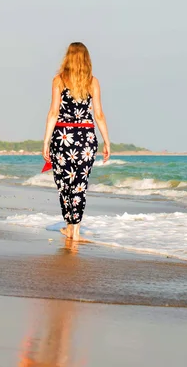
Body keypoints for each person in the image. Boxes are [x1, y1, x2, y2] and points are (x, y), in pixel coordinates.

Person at [42, 42, 110, 241]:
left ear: (68, 57)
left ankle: (69, 226)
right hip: (86, 139)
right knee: (80, 185)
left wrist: (46, 141)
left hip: (62, 138)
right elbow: (99, 114)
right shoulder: (92, 82)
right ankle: (76, 230)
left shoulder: (59, 80)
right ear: (86, 59)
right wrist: (107, 141)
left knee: (64, 184)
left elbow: (54, 112)